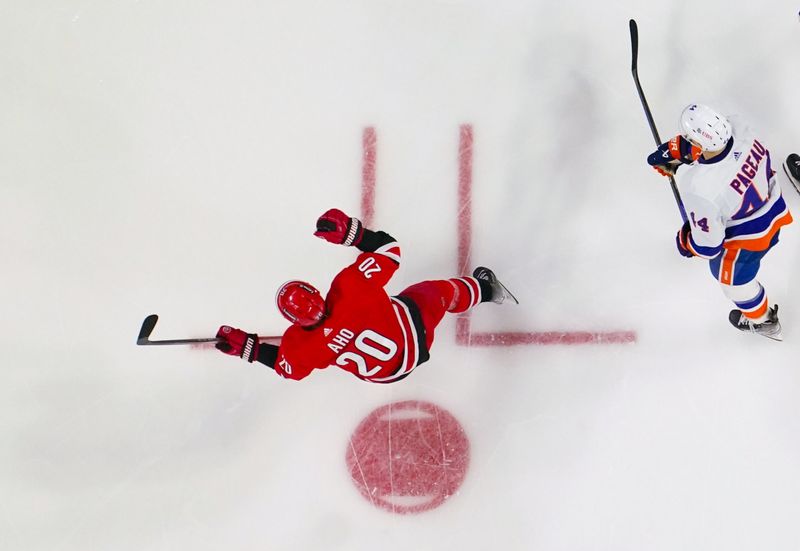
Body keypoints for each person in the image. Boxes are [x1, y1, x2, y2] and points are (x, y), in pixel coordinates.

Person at [214, 208, 518, 382]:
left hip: (387, 374)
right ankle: (487, 289)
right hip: (413, 334)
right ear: (317, 293)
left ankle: (484, 291)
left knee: (410, 301)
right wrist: (352, 234)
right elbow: (390, 251)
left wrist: (248, 348)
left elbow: (286, 367)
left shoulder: (301, 346)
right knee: (434, 292)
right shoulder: (350, 287)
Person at [647, 103, 793, 340]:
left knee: (734, 282)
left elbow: (708, 246)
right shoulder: (742, 125)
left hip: (752, 238)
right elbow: (722, 149)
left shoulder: (699, 188)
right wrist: (680, 150)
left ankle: (763, 321)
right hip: (773, 202)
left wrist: (686, 241)